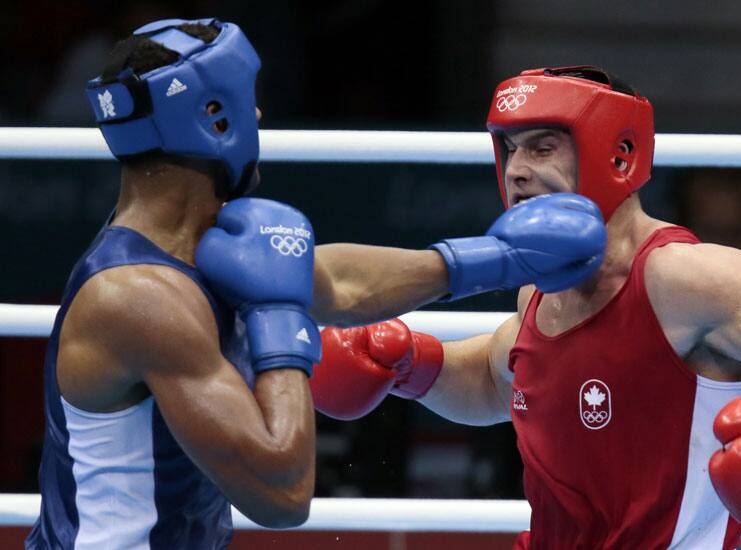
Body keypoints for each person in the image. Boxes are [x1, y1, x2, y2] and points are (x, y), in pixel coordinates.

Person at [26, 22, 607, 549]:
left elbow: (341, 282)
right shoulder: (139, 298)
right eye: (243, 103)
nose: (257, 117)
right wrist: (277, 313)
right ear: (215, 119)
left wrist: (502, 259)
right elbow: (282, 493)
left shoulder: (196, 250)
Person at [310, 66, 741, 549]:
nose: (518, 171)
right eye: (509, 150)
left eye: (543, 148)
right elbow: (497, 384)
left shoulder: (684, 279)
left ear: (618, 155)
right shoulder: (538, 293)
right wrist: (410, 363)